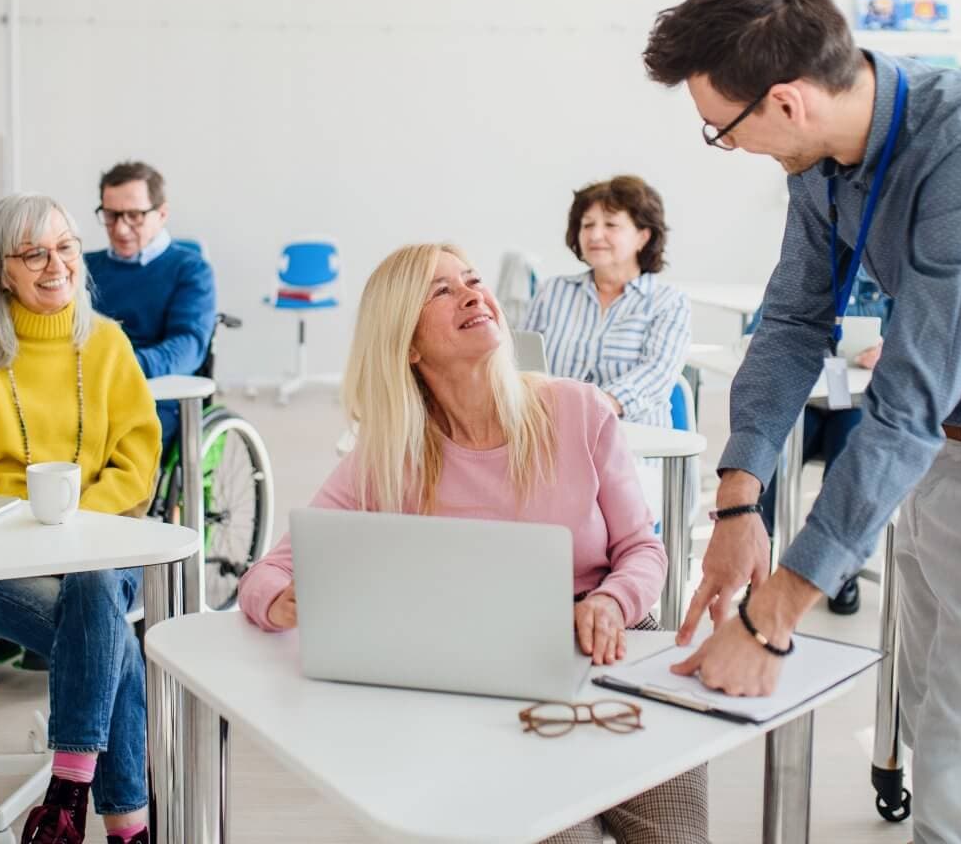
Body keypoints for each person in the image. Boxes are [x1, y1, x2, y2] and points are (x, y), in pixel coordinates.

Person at [643, 0, 961, 844]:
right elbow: (791, 320)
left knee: (957, 766)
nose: (724, 145)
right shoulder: (822, 154)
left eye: (719, 130)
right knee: (925, 706)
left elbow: (905, 403)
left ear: (786, 102)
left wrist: (775, 613)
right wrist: (742, 497)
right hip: (941, 459)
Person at [238, 243, 708, 844]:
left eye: (471, 279)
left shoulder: (579, 410)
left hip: (612, 647)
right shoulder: (387, 457)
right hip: (479, 677)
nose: (471, 294)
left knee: (674, 837)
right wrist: (280, 602)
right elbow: (267, 573)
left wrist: (611, 603)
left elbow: (643, 550)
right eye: (440, 290)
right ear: (407, 344)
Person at [0, 194, 161, 844]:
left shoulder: (107, 345)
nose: (56, 264)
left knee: (96, 586)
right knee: (114, 645)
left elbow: (137, 464)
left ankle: (67, 795)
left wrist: (73, 530)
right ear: (1, 268)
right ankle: (129, 828)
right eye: (34, 252)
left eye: (66, 247)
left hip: (100, 546)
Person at [755, 264, 887, 615]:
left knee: (849, 455)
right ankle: (761, 546)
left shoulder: (886, 280)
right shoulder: (803, 273)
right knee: (773, 455)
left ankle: (837, 566)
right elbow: (759, 336)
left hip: (855, 403)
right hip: (806, 404)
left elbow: (913, 344)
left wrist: (885, 353)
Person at [524, 175, 691, 429]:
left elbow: (656, 374)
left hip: (634, 450)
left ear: (642, 237)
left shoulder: (668, 302)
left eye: (611, 225)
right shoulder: (552, 291)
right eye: (587, 225)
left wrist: (589, 409)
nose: (595, 235)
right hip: (552, 439)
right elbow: (522, 364)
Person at [86, 160, 216, 452]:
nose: (120, 228)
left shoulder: (191, 270)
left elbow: (188, 346)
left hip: (155, 394)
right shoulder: (82, 267)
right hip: (88, 389)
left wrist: (119, 368)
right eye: (111, 215)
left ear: (162, 214)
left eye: (133, 215)